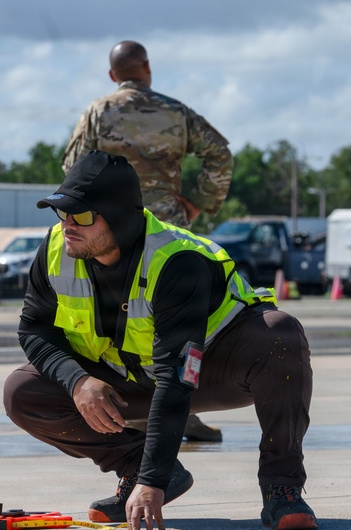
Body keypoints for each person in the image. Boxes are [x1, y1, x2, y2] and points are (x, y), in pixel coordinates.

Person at [3, 150, 317, 530]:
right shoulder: (55, 249)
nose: (68, 224)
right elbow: (33, 328)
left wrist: (151, 483)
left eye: (81, 215)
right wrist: (79, 381)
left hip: (209, 370)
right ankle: (136, 467)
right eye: (61, 213)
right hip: (127, 377)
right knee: (23, 391)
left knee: (280, 334)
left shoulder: (176, 261)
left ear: (117, 217)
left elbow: (178, 374)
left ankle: (281, 487)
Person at [63, 39, 233, 443]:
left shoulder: (99, 112)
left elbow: (74, 168)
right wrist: (199, 203)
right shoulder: (175, 112)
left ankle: (135, 411)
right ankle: (185, 409)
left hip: (117, 230)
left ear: (113, 75)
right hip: (171, 230)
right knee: (187, 324)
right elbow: (219, 154)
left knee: (127, 319)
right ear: (148, 69)